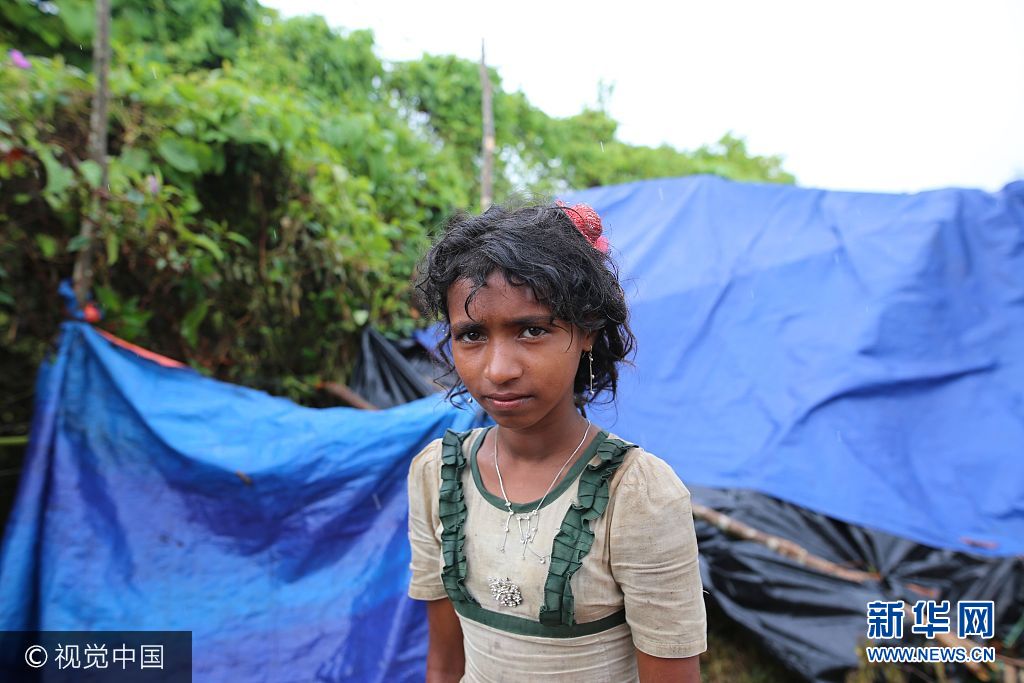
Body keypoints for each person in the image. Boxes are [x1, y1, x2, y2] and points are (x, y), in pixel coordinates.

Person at [408, 201, 707, 682]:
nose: (499, 369)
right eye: (472, 335)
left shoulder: (637, 495)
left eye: (532, 330)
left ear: (586, 330)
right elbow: (444, 663)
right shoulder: (438, 474)